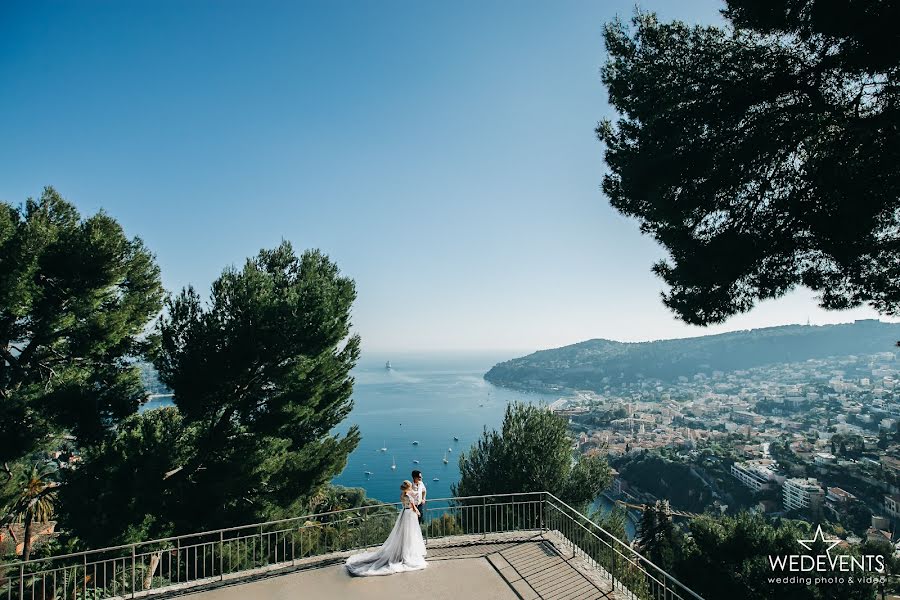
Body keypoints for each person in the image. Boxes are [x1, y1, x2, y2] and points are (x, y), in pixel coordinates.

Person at [345, 480, 427, 576]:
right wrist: (418, 512)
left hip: (404, 512)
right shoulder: (408, 496)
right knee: (410, 533)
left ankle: (401, 552)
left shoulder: (402, 495)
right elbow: (414, 507)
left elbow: (408, 501)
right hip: (410, 515)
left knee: (403, 533)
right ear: (408, 487)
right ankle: (406, 553)